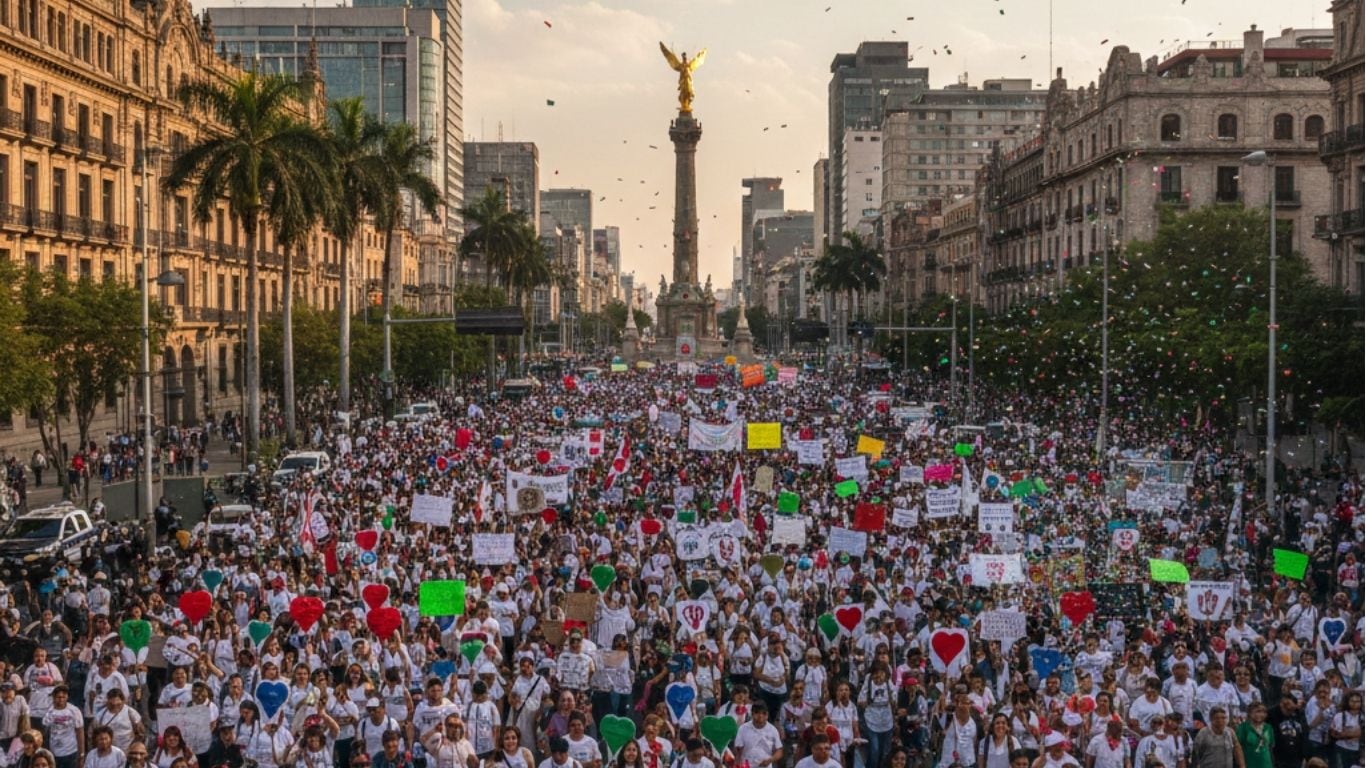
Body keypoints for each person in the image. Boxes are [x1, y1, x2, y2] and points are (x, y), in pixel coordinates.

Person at [42, 686, 84, 768]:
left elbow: (80, 732)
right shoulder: (49, 711)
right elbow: (45, 730)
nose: (61, 699)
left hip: (71, 752)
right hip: (54, 752)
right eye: (58, 697)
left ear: (67, 697)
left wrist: (81, 753)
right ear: (54, 698)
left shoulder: (74, 711)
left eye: (63, 697)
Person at [733, 702, 783, 768]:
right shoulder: (743, 728)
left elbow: (779, 751)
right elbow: (738, 750)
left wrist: (770, 760)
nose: (760, 716)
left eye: (764, 713)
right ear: (752, 714)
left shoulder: (772, 730)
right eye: (757, 712)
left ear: (767, 715)